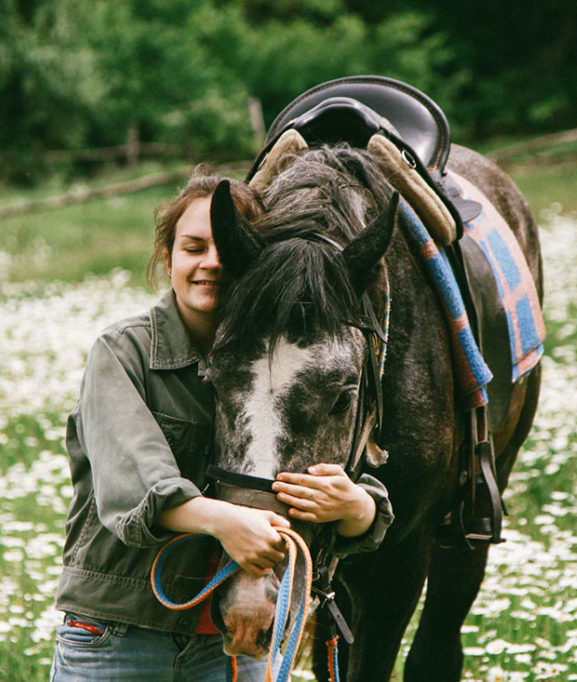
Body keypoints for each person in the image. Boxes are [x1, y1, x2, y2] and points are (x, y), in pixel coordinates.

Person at [50, 170, 394, 682]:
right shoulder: (123, 354)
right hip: (120, 636)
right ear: (168, 260)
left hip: (229, 645)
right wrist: (227, 522)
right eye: (192, 248)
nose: (211, 263)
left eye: (224, 252)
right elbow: (134, 485)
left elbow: (305, 460)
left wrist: (359, 507)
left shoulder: (276, 361)